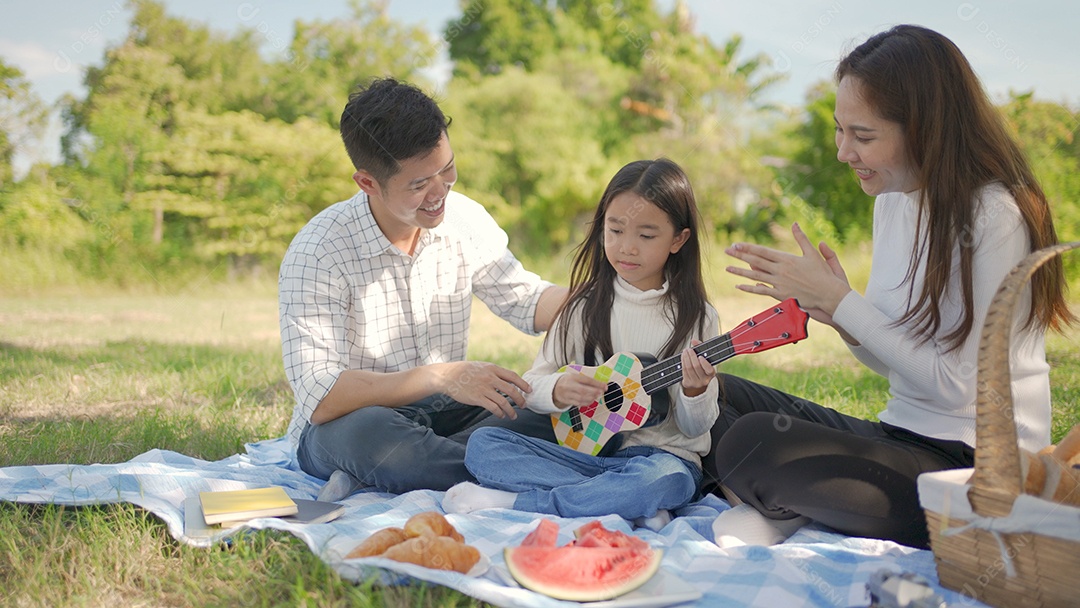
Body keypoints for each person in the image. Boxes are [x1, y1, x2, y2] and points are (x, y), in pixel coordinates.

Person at [703, 25, 1074, 549]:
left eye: (863, 135)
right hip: (899, 441)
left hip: (975, 472)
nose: (842, 152)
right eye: (839, 130)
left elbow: (958, 387)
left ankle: (789, 506)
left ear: (924, 128)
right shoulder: (893, 202)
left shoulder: (996, 215)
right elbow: (892, 363)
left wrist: (842, 302)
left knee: (752, 442)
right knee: (714, 396)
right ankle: (799, 505)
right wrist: (839, 316)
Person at [278, 78, 568, 499]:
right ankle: (512, 471)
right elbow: (322, 396)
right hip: (353, 423)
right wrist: (442, 376)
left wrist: (611, 291)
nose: (440, 192)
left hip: (449, 414)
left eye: (446, 169)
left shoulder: (464, 218)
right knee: (372, 437)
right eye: (418, 185)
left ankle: (416, 472)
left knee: (544, 404)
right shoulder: (318, 250)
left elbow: (526, 299)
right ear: (368, 183)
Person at [441, 158, 720, 530]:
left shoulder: (697, 316)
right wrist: (557, 388)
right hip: (582, 456)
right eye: (615, 230)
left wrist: (695, 389)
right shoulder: (582, 306)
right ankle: (622, 501)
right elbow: (533, 382)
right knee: (484, 446)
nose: (627, 247)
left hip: (660, 457)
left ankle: (520, 502)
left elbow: (695, 427)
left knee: (665, 480)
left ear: (679, 239)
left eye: (646, 235)